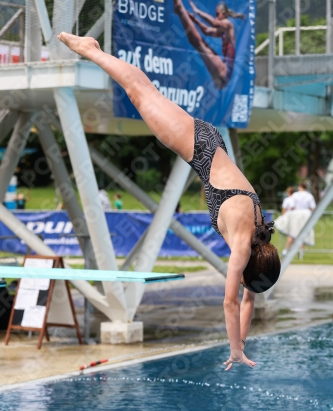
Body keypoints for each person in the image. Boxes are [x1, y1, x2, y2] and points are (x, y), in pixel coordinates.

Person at [57, 33, 280, 371]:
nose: (247, 288)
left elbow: (247, 299)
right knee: (139, 91)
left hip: (208, 143)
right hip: (198, 147)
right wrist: (234, 349)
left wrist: (241, 345)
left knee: (145, 92)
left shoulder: (260, 236)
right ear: (249, 269)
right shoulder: (242, 247)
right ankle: (90, 50)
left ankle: (96, 52)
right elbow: (230, 302)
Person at [173, 0, 245, 89]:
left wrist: (197, 11)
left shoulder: (228, 24)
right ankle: (180, 11)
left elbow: (214, 23)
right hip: (223, 75)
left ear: (223, 13)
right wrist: (195, 20)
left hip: (224, 72)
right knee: (195, 42)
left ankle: (180, 8)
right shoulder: (223, 31)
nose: (216, 17)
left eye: (217, 14)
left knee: (199, 43)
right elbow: (206, 31)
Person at [275, 183, 316, 257]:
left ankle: (286, 250)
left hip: (296, 215)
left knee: (292, 233)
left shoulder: (295, 195)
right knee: (303, 233)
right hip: (306, 215)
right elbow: (313, 208)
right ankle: (301, 251)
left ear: (300, 187)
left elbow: (292, 207)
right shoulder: (310, 196)